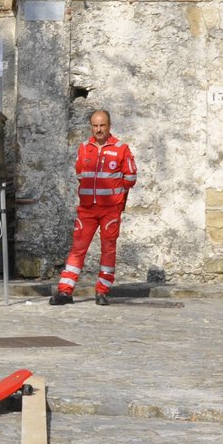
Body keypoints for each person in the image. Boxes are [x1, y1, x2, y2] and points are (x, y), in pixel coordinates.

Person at [50, 109, 137, 307]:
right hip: (87, 209)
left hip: (110, 210)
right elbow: (80, 174)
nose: (98, 130)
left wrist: (115, 195)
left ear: (109, 126)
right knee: (77, 249)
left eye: (102, 125)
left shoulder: (122, 149)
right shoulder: (83, 148)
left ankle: (102, 291)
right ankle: (65, 291)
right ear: (91, 127)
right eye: (95, 126)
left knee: (108, 250)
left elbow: (130, 178)